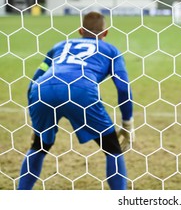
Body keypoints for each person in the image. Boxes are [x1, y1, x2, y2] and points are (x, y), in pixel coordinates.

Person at [18, 11, 134, 190]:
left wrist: (37, 124)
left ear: (80, 31)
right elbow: (123, 88)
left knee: (39, 147)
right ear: (105, 33)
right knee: (113, 149)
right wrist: (127, 123)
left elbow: (34, 80)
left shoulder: (59, 46)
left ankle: (21, 195)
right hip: (80, 92)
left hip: (42, 90)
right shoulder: (111, 50)